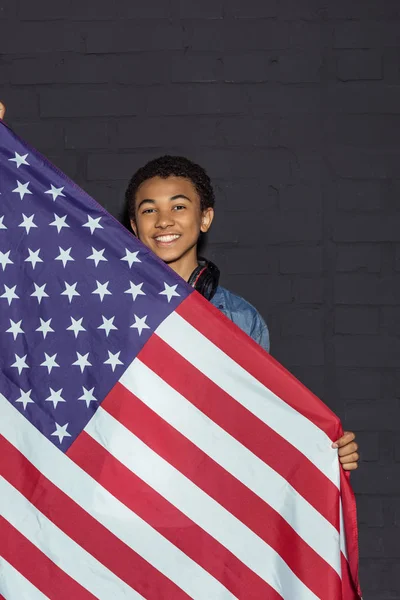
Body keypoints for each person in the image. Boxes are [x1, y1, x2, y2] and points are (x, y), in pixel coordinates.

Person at [0, 101, 359, 470]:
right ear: (134, 227)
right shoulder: (101, 303)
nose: (164, 221)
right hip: (115, 484)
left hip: (197, 488)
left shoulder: (240, 318)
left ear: (205, 218)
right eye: (149, 210)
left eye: (179, 207)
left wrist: (322, 451)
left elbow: (255, 421)